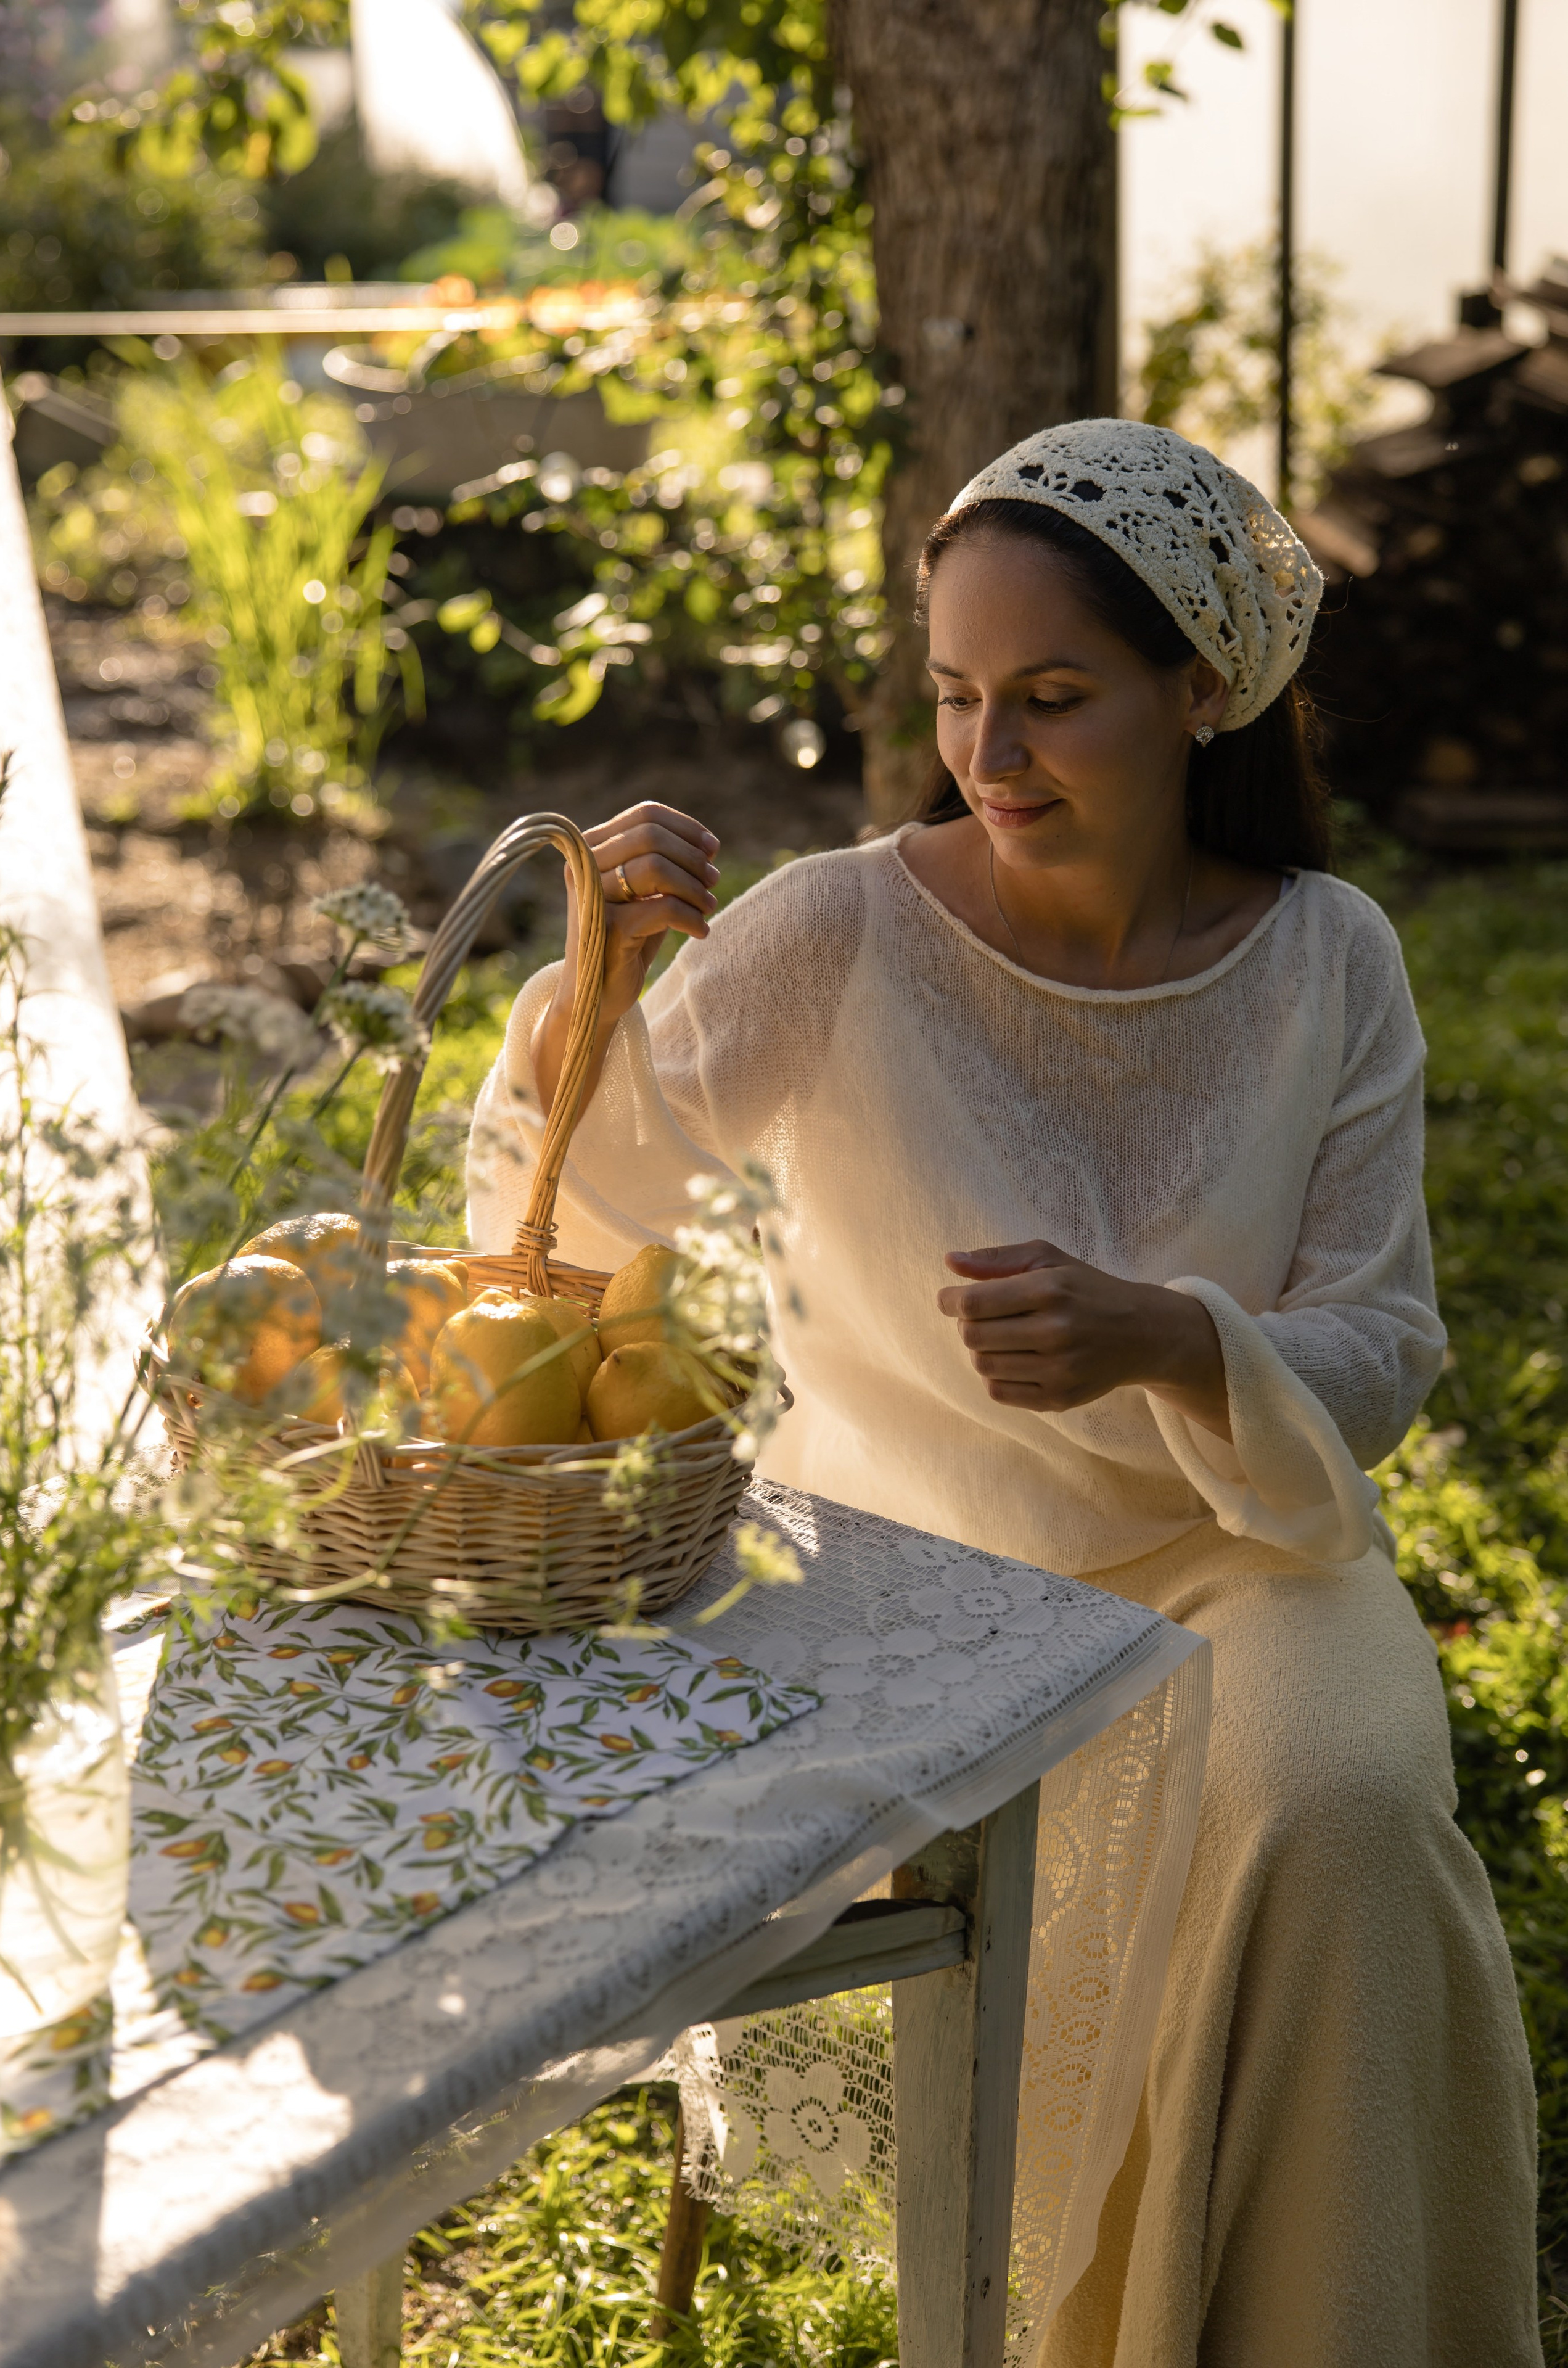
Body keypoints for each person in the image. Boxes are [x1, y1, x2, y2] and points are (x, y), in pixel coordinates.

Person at [467, 420, 1541, 2365]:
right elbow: (567, 1213)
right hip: (900, 1581)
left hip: (1235, 1554)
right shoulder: (838, 926)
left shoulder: (1332, 962)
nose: (990, 751)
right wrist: (598, 979)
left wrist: (1177, 1340)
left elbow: (1380, 1347)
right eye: (959, 694)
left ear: (1201, 691)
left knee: (1344, 1803)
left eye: (1052, 698)